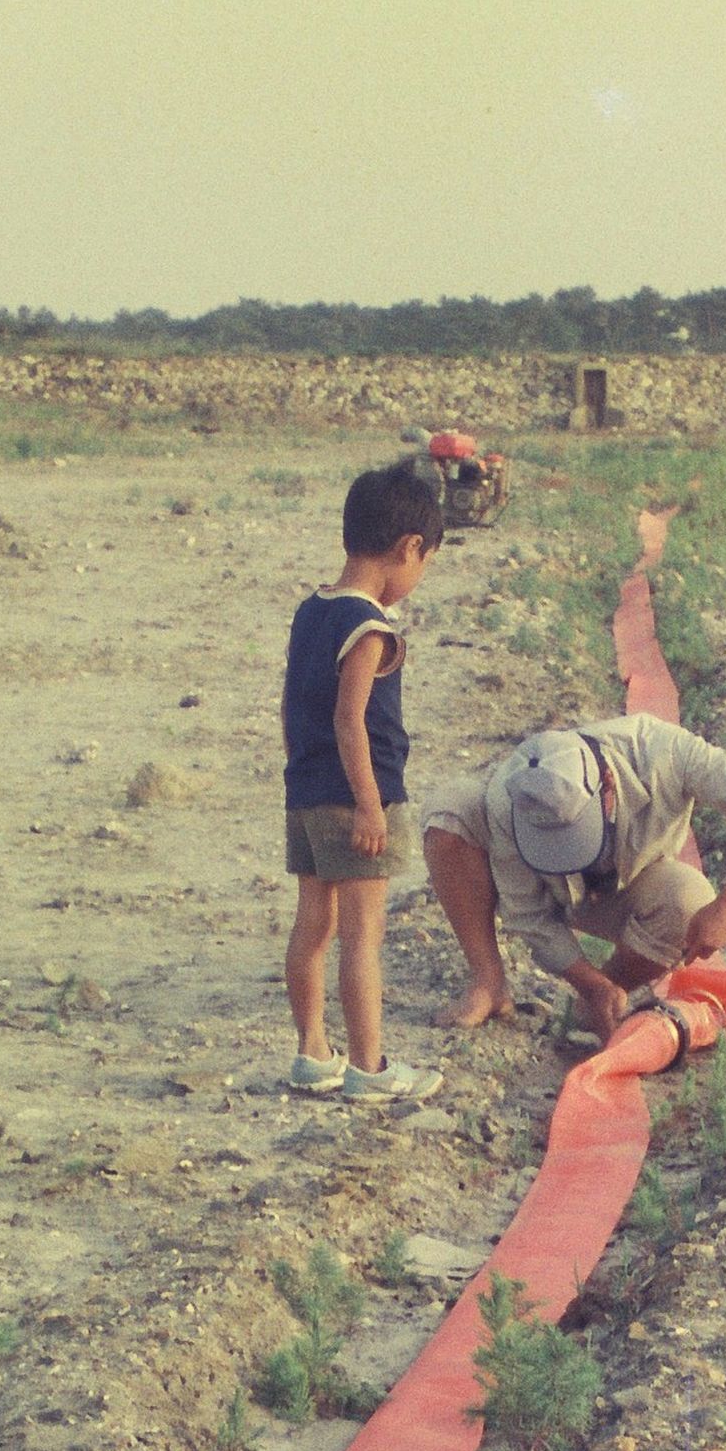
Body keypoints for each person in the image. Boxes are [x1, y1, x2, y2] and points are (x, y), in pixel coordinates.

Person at [420, 715, 726, 1036]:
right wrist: (589, 981)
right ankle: (489, 982)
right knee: (450, 811)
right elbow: (528, 915)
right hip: (557, 894)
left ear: (606, 787)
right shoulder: (509, 799)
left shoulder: (664, 751)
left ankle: (604, 1002)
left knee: (689, 903)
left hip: (631, 883)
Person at [280, 457, 445, 1104]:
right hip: (356, 800)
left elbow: (294, 706)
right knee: (361, 937)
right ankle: (369, 1067)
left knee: (311, 926)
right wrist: (371, 808)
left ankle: (311, 1051)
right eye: (423, 562)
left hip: (305, 793)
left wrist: (300, 778)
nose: (417, 577)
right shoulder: (370, 627)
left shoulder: (310, 612)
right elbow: (352, 722)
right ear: (408, 548)